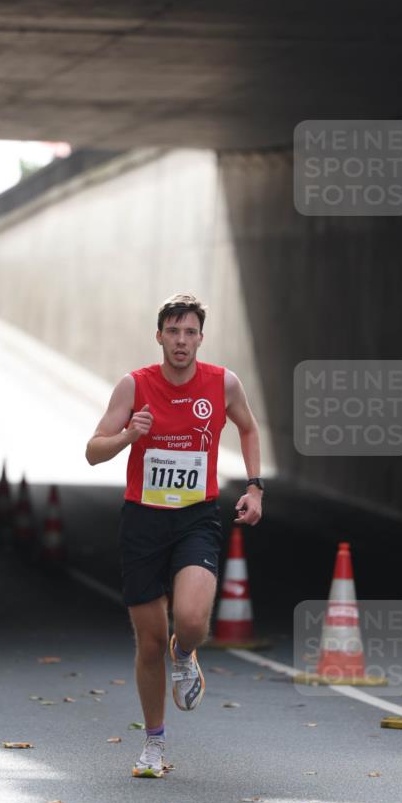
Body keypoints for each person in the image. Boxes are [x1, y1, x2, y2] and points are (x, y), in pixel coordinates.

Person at [86, 293, 263, 777]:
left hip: (196, 516)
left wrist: (254, 487)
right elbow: (93, 451)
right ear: (159, 335)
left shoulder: (223, 383)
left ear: (200, 338)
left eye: (190, 333)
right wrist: (128, 436)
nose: (181, 341)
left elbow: (247, 429)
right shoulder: (134, 386)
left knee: (187, 620)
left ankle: (185, 653)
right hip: (143, 520)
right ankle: (154, 745)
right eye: (173, 332)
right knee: (147, 642)